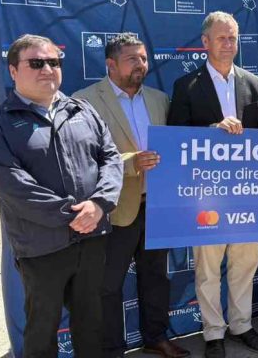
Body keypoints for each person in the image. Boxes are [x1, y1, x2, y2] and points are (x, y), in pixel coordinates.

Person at [0, 34, 123, 357]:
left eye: (54, 62)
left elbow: (111, 158)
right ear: (13, 71)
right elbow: (11, 183)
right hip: (41, 247)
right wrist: (73, 214)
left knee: (91, 324)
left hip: (91, 239)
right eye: (36, 63)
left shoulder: (82, 110)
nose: (47, 69)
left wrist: (99, 204)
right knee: (42, 331)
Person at [74, 34, 190, 358]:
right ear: (111, 64)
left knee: (156, 279)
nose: (141, 65)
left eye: (143, 58)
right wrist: (130, 164)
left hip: (156, 206)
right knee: (108, 286)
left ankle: (155, 337)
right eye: (132, 59)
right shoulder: (85, 101)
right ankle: (111, 349)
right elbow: (81, 159)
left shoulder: (159, 99)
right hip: (115, 210)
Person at [167, 12, 258, 357]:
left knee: (245, 263)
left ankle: (241, 325)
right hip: (206, 194)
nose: (229, 44)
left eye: (233, 38)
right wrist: (212, 130)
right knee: (209, 268)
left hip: (246, 191)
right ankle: (213, 333)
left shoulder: (254, 84)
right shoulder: (186, 86)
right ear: (205, 42)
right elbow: (177, 139)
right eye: (222, 38)